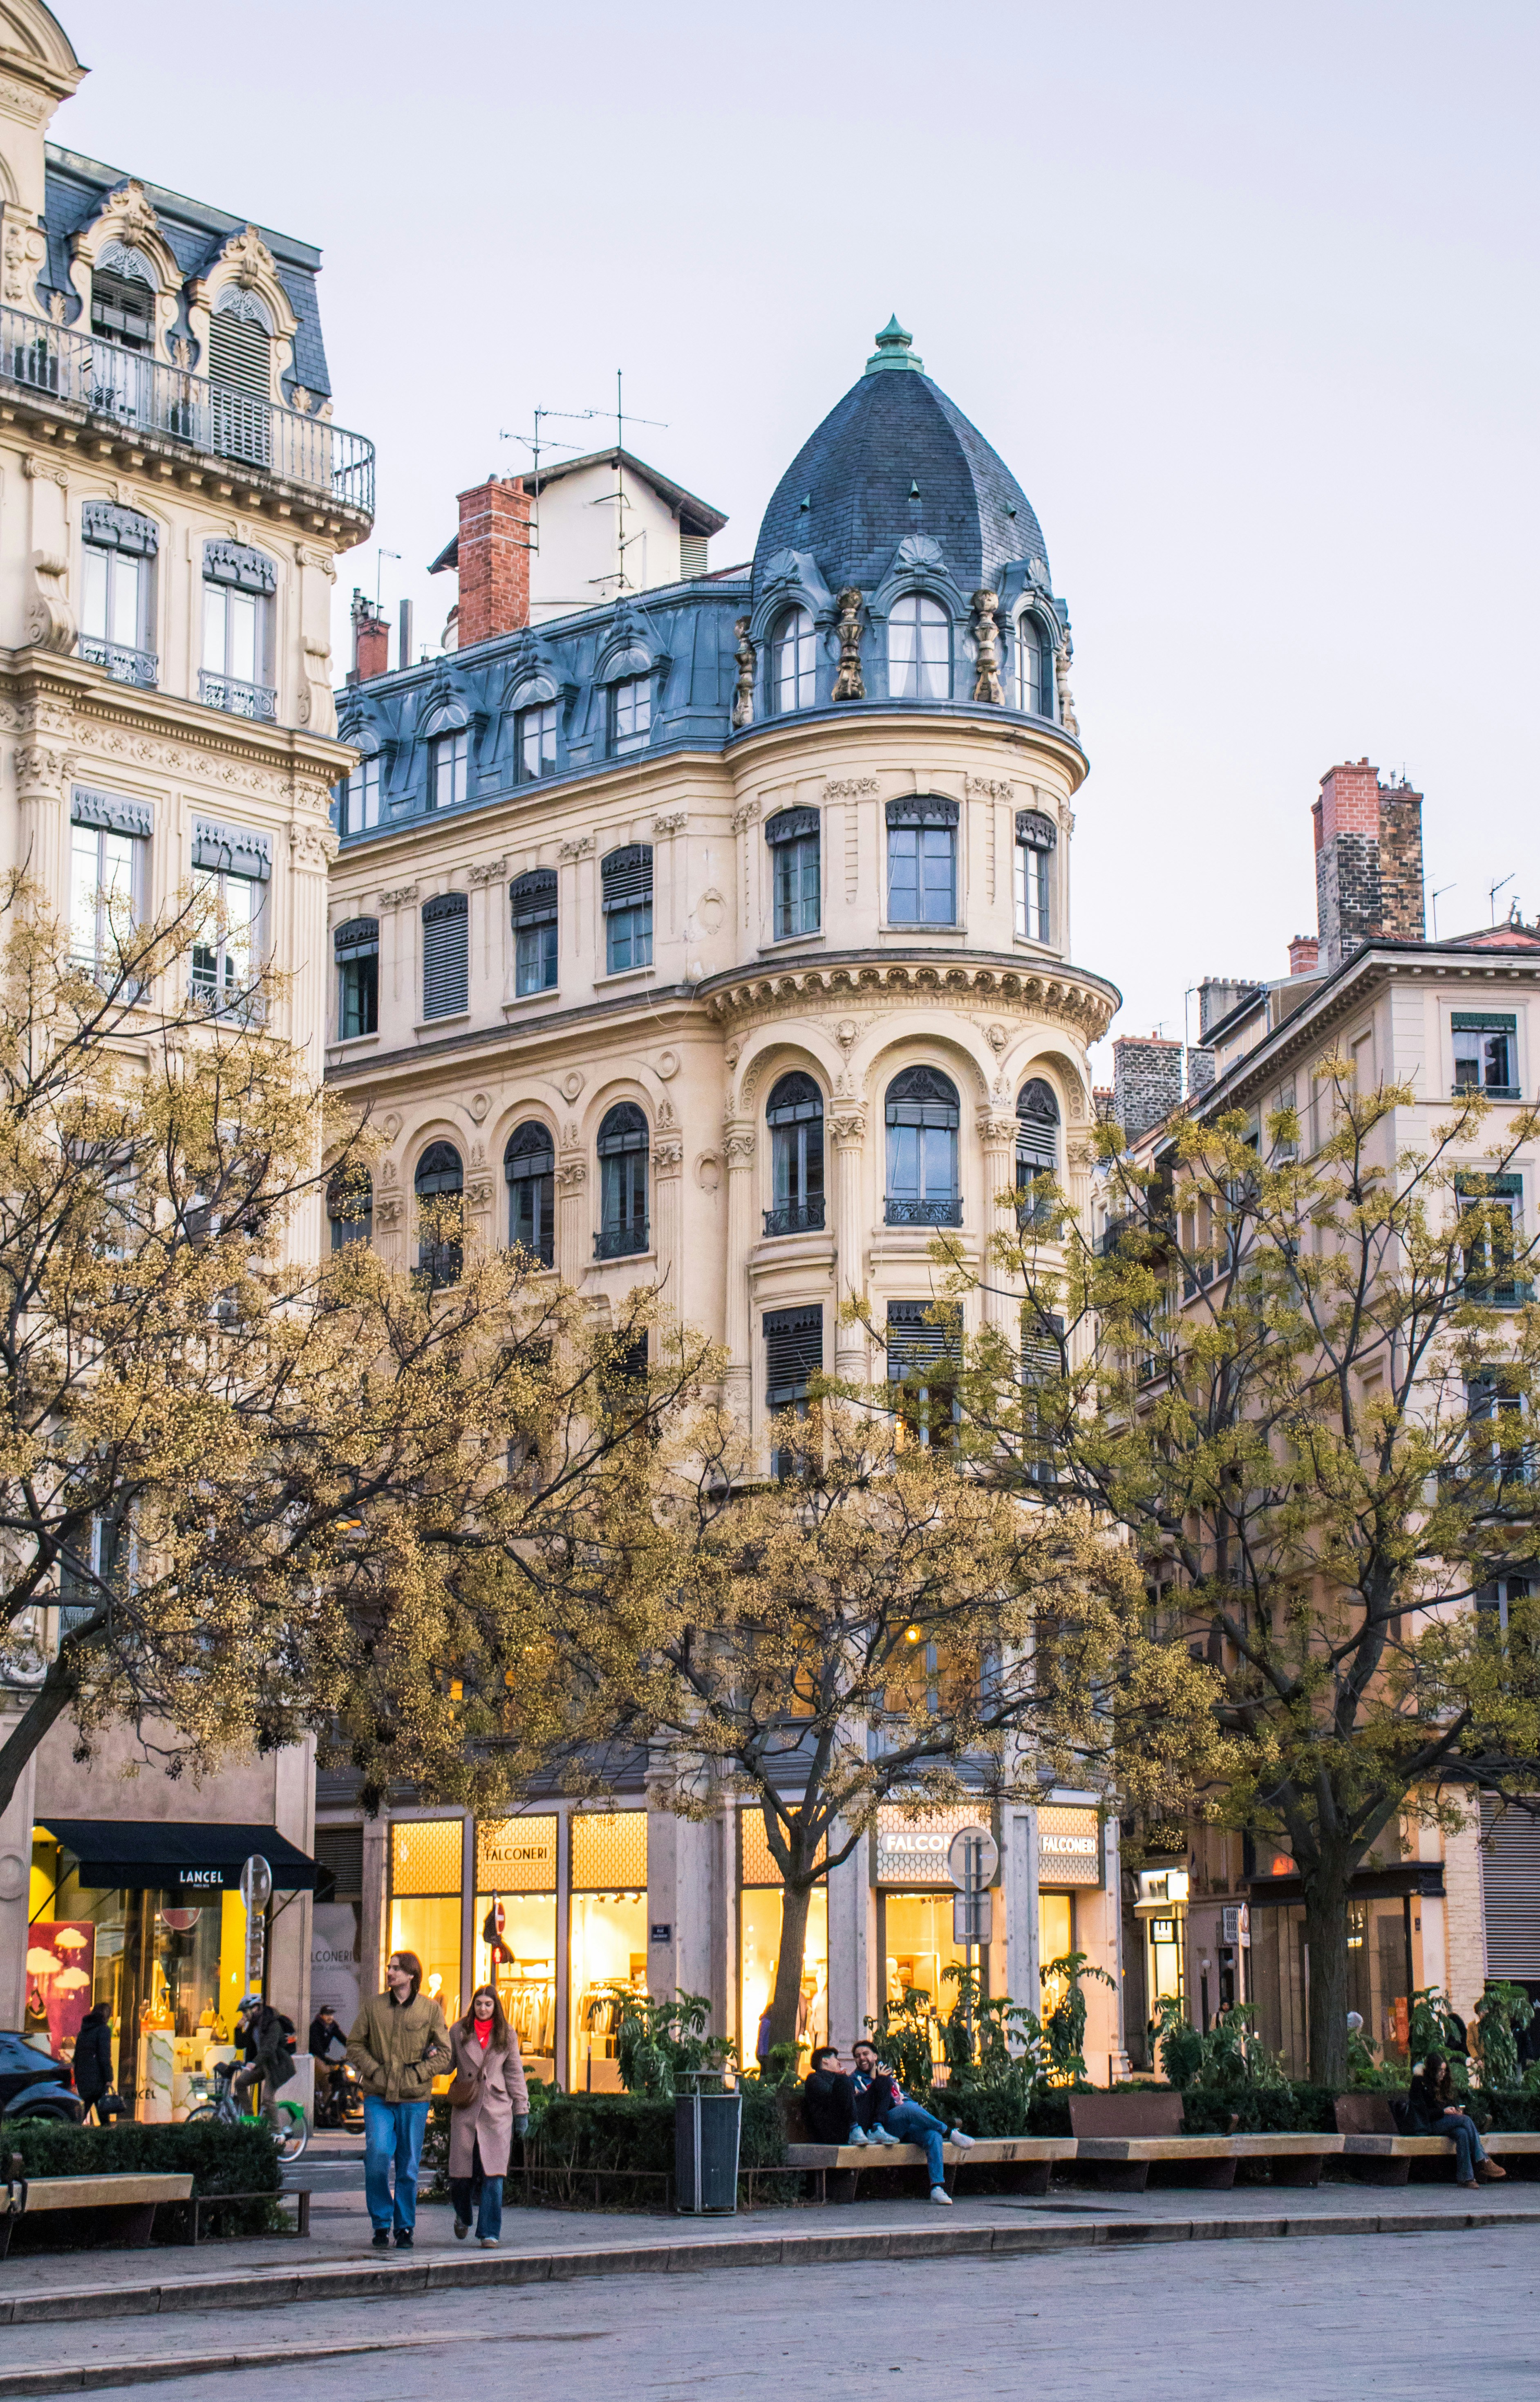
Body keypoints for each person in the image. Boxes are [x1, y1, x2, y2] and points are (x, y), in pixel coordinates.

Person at [347, 1950, 452, 2250]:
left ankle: (404, 2227)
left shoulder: (430, 2010)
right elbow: (355, 2044)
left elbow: (445, 2053)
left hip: (414, 2098)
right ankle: (381, 2222)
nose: (389, 1972)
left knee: (408, 2166)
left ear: (411, 1975)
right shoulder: (374, 2007)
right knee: (378, 2156)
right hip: (379, 2095)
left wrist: (420, 2073)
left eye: (396, 1969)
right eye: (389, 1968)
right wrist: (375, 2071)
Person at [446, 1985, 529, 2249]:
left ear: (496, 2007)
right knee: (461, 2174)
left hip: (497, 2109)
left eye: (488, 2004)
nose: (483, 2008)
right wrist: (432, 2053)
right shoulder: (459, 2031)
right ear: (474, 2006)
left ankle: (490, 2232)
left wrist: (522, 2110)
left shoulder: (506, 2034)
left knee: (494, 2174)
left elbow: (515, 2072)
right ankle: (463, 2215)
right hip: (466, 2106)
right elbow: (448, 2065)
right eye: (479, 2004)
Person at [849, 2038, 974, 2205]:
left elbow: (904, 2098)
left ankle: (937, 2188)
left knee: (933, 2136)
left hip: (904, 2125)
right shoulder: (854, 2081)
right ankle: (950, 2132)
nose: (862, 2058)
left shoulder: (888, 2077)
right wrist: (876, 2081)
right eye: (857, 2056)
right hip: (880, 2127)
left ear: (875, 2056)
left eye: (866, 2054)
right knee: (908, 2110)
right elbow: (865, 2108)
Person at [1407, 2050, 1506, 2189]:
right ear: (1432, 2070)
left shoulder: (1443, 2082)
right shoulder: (1420, 2082)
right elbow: (1422, 2113)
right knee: (1465, 2121)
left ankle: (1466, 2178)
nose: (1443, 2074)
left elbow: (1450, 2101)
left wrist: (1455, 2109)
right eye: (1440, 2071)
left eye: (1444, 2070)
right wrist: (1443, 2112)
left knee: (1463, 2133)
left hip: (1445, 2122)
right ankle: (1482, 2159)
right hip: (1428, 2125)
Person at [231, 1994, 296, 2133]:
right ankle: (251, 2122)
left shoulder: (273, 2024)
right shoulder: (254, 2025)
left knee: (267, 2098)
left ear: (255, 2009)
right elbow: (241, 2045)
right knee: (240, 2083)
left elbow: (269, 2049)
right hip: (263, 2064)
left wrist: (254, 2063)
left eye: (245, 2011)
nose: (244, 2015)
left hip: (277, 2066)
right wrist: (238, 2029)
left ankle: (277, 2132)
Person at [801, 2045, 863, 2147]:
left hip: (850, 2125)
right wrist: (841, 2079)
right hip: (833, 2130)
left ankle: (877, 2128)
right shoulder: (814, 2078)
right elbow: (830, 2095)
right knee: (843, 2080)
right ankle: (854, 2127)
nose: (839, 2062)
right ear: (825, 2060)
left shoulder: (840, 2079)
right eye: (836, 2058)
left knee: (881, 2082)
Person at [73, 2002, 117, 2125]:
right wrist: (108, 2078)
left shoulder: (84, 2031)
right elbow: (104, 2056)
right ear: (107, 2016)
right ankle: (107, 2141)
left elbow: (77, 2056)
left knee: (80, 2116)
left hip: (83, 2078)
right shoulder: (103, 2030)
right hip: (97, 2079)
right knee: (104, 2117)